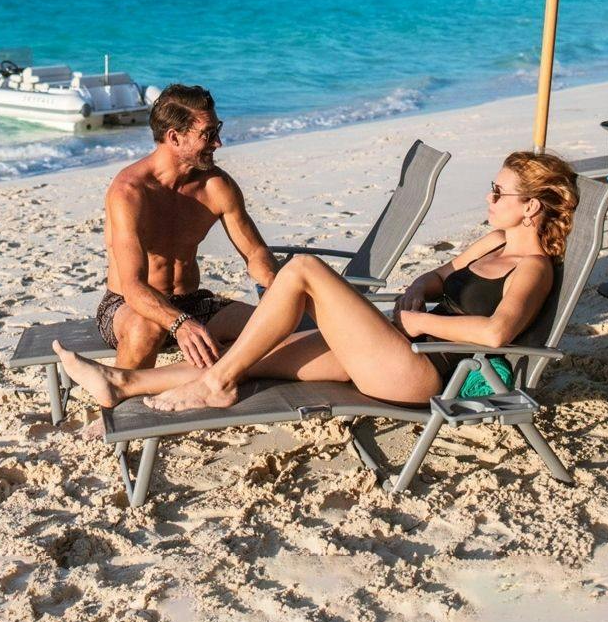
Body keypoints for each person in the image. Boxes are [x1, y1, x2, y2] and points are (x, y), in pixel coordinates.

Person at [57, 151, 578, 414]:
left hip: (426, 371)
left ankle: (215, 383)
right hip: (401, 346)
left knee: (304, 268)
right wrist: (421, 290)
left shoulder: (531, 269)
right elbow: (436, 275)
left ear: (530, 207)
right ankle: (123, 383)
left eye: (499, 193)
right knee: (269, 353)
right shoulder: (492, 242)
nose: (489, 198)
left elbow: (495, 334)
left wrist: (414, 319)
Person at [95, 83, 279, 371]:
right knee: (147, 330)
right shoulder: (130, 192)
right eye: (208, 134)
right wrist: (179, 324)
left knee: (271, 328)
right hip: (127, 307)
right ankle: (119, 408)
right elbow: (132, 287)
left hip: (191, 304)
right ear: (174, 137)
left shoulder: (217, 186)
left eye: (217, 130)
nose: (218, 143)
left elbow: (255, 252)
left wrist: (271, 283)